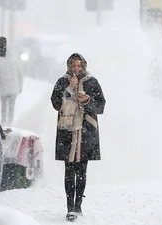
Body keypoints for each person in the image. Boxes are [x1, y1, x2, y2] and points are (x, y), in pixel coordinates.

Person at [50, 53, 106, 221]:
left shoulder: (92, 82)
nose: (76, 69)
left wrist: (87, 100)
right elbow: (55, 103)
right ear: (69, 66)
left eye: (79, 66)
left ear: (83, 66)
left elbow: (101, 105)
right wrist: (69, 90)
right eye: (73, 66)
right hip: (67, 132)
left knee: (82, 169)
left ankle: (78, 206)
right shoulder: (62, 81)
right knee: (69, 170)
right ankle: (70, 208)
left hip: (86, 131)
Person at [0, 50, 24, 126]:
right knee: (11, 106)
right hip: (14, 89)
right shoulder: (17, 62)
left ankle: (3, 121)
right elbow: (21, 76)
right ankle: (10, 121)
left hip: (3, 89)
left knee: (3, 106)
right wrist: (20, 87)